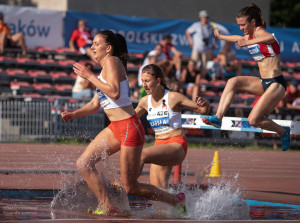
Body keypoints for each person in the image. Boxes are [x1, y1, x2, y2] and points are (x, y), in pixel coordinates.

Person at [61, 30, 186, 216]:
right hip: (114, 128)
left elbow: (114, 92)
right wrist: (74, 114)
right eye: (92, 44)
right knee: (84, 163)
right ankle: (107, 205)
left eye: (96, 44)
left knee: (130, 187)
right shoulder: (104, 69)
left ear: (108, 48)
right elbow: (96, 104)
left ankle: (176, 200)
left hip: (129, 127)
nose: (92, 47)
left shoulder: (113, 61)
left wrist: (89, 76)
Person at [202, 3, 291, 151]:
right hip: (263, 82)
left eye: (243, 25)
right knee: (233, 82)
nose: (241, 28)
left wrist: (247, 42)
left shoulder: (260, 32)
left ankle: (283, 131)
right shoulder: (249, 35)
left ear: (253, 22)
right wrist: (221, 36)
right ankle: (218, 118)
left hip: (276, 84)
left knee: (253, 119)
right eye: (239, 25)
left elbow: (270, 38)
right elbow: (238, 37)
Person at [135, 64, 210, 189]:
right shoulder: (144, 101)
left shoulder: (173, 97)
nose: (144, 85)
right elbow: (129, 120)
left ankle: (126, 185)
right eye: (142, 81)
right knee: (157, 192)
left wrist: (205, 104)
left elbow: (203, 110)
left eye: (147, 81)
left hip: (176, 144)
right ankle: (178, 204)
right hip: (159, 146)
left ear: (158, 81)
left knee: (142, 155)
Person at [185, 10, 216, 75]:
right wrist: (190, 40)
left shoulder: (210, 27)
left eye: (206, 17)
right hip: (196, 48)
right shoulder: (196, 25)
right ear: (200, 18)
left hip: (205, 49)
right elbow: (187, 31)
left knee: (204, 66)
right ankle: (191, 77)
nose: (205, 19)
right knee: (193, 63)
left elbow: (215, 35)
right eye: (203, 17)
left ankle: (202, 79)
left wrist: (214, 43)